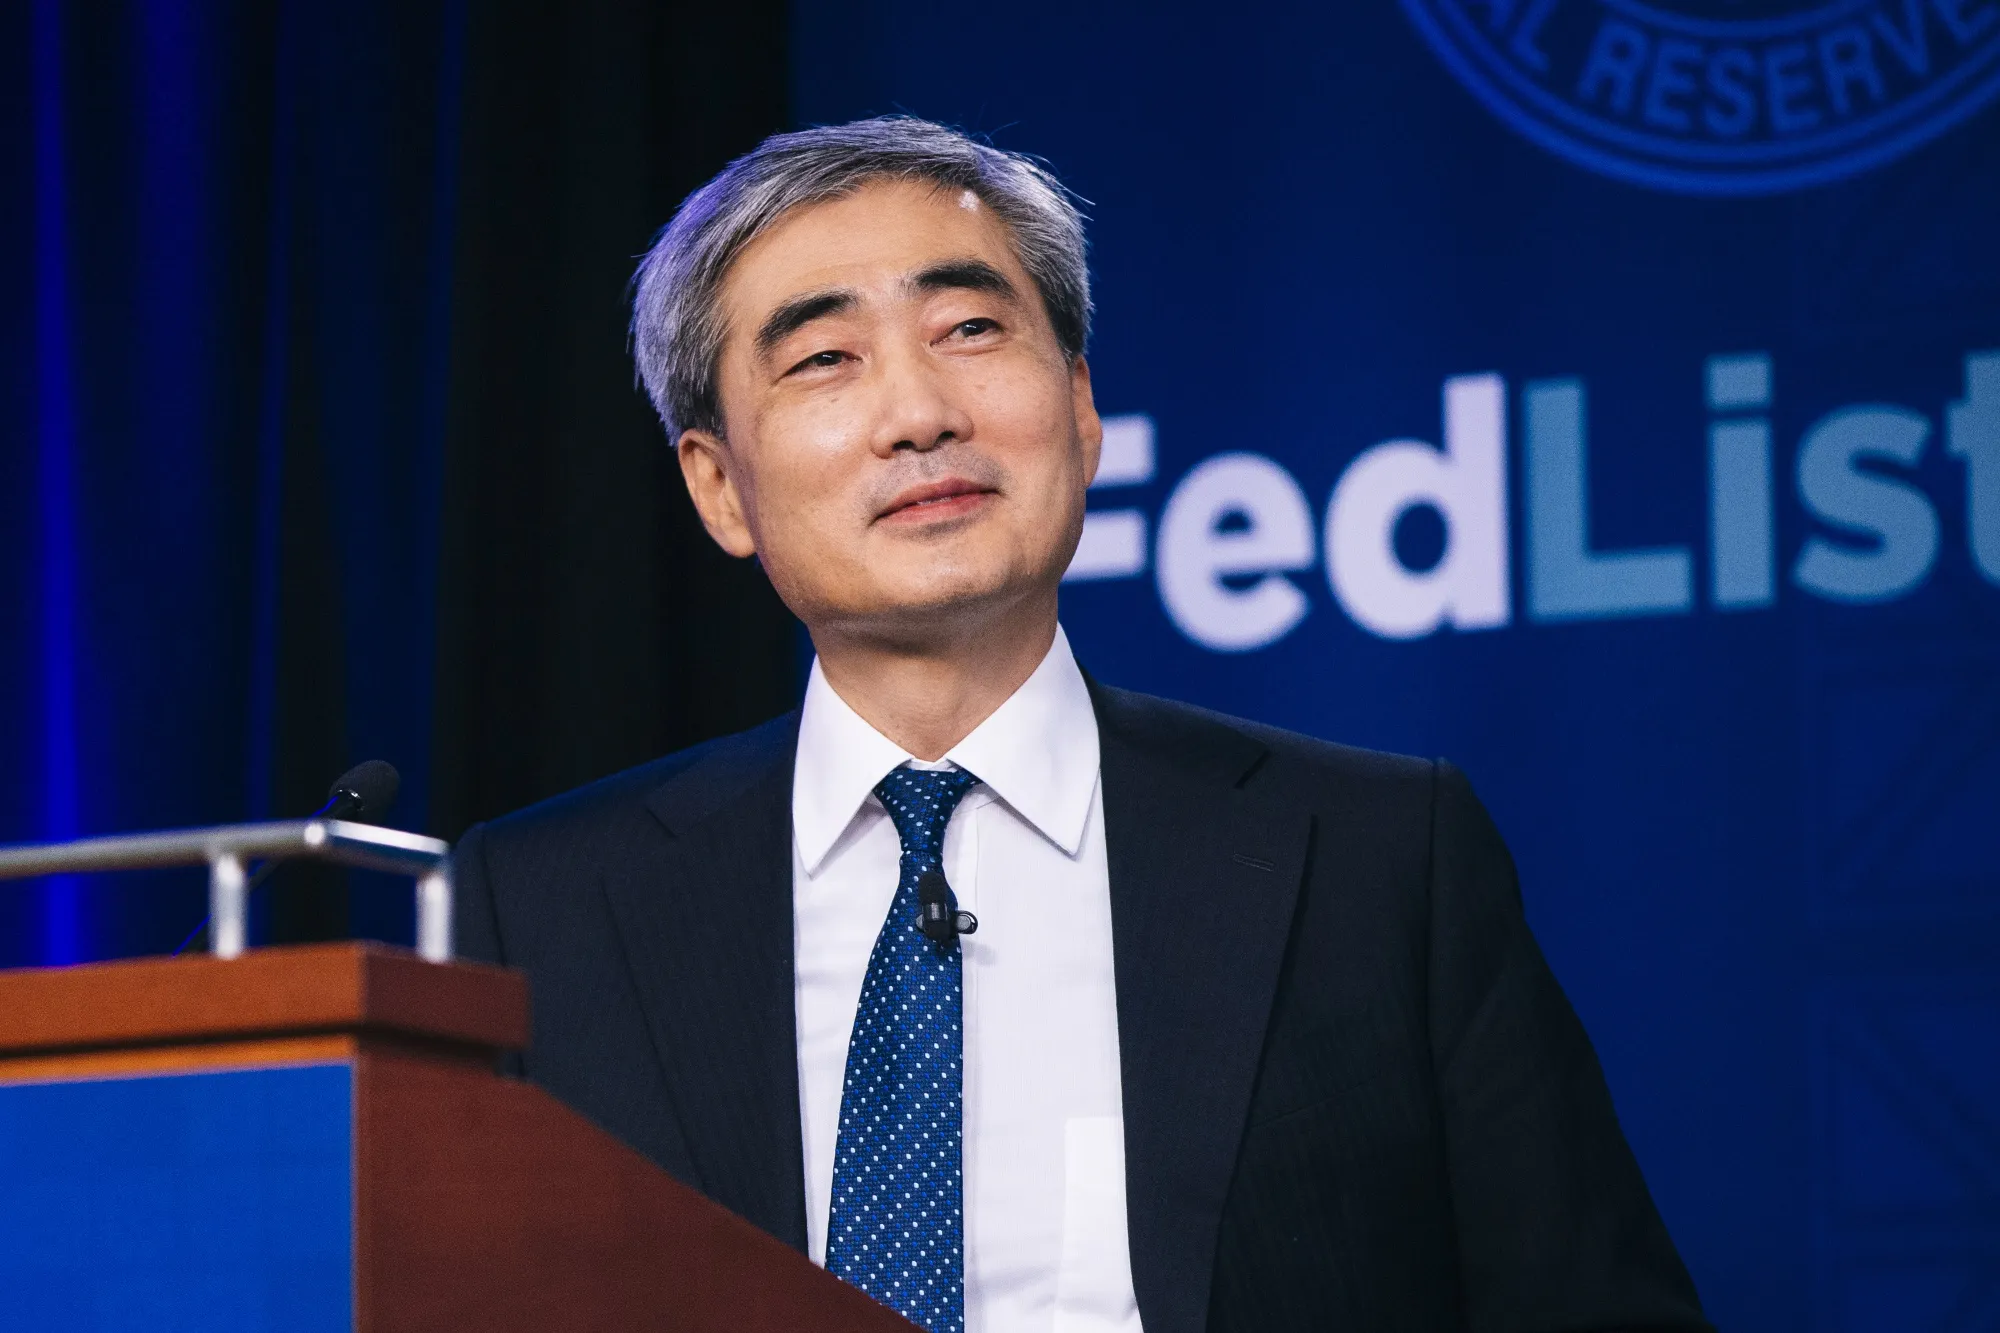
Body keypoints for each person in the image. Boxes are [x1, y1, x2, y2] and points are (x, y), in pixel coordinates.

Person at [451, 116, 1710, 1333]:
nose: (918, 413)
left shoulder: (1380, 858)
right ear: (719, 486)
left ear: (1080, 405)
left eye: (968, 329)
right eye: (825, 358)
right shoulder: (539, 910)